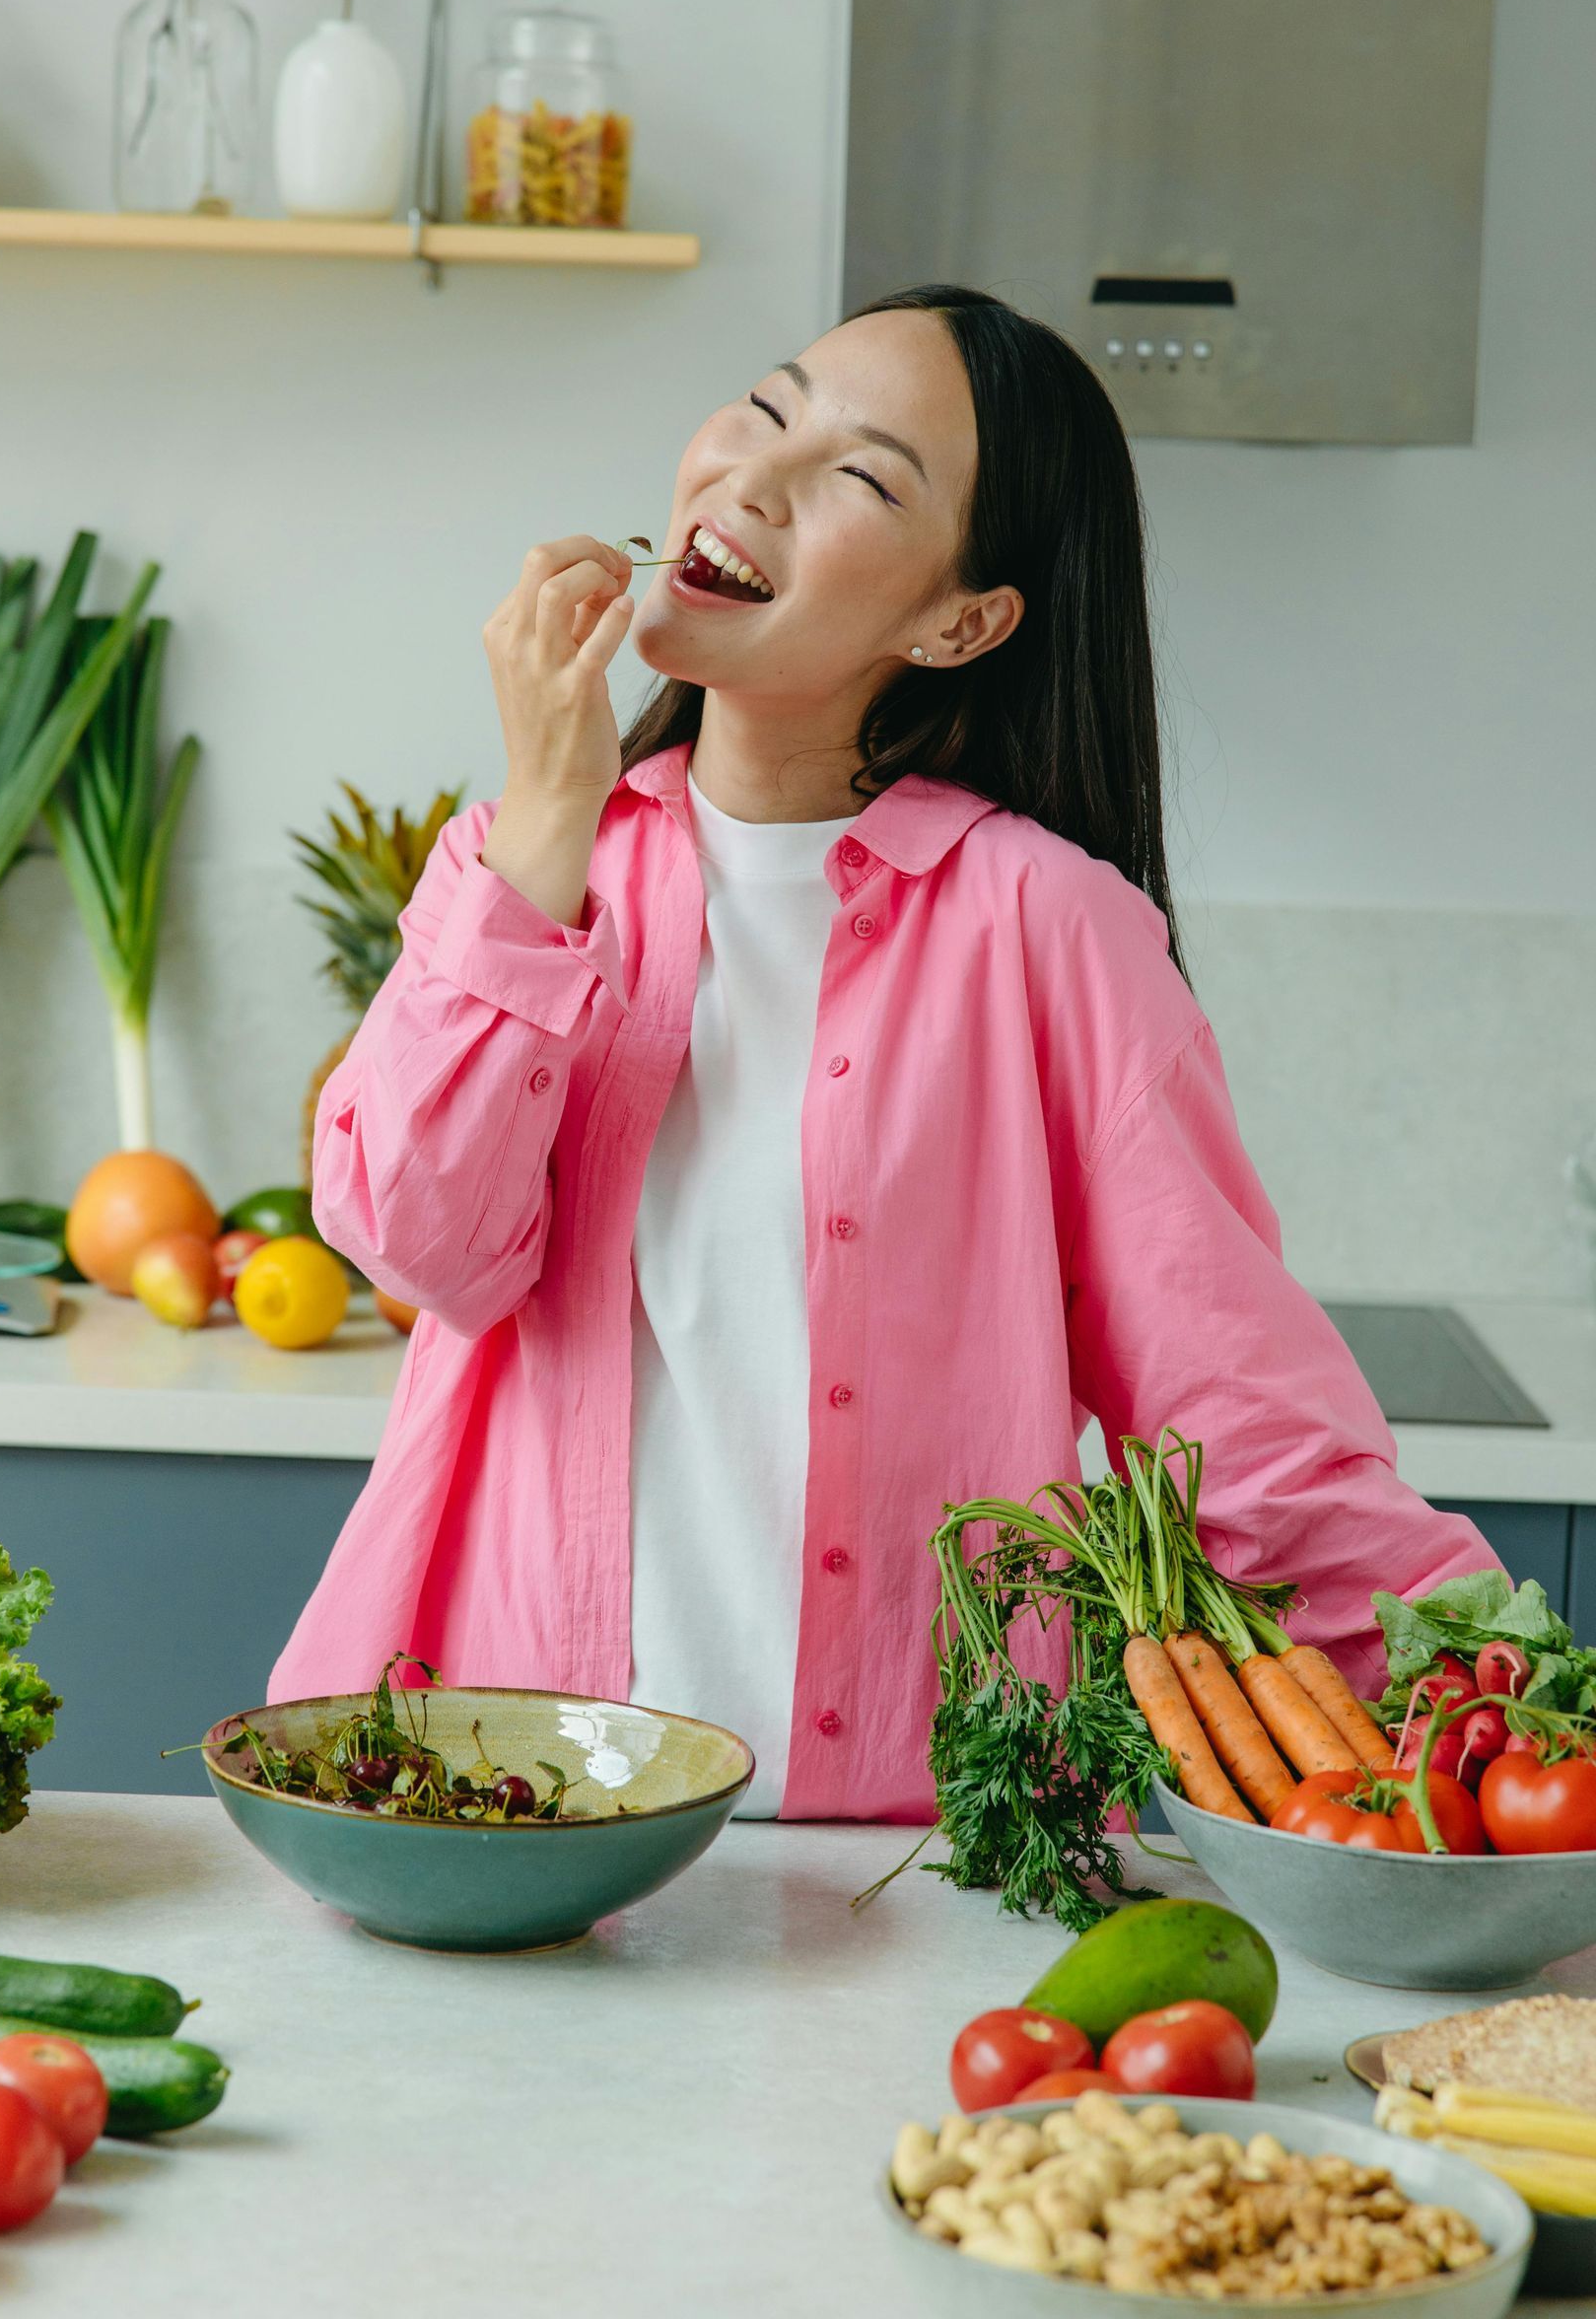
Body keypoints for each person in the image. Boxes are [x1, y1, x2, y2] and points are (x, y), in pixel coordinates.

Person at [270, 285, 1495, 1818]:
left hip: (907, 1859)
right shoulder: (532, 873)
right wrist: (541, 816)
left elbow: (1247, 1443)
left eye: (860, 475)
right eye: (770, 410)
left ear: (960, 622)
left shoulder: (1051, 933)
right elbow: (417, 1241)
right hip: (515, 1831)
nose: (756, 476)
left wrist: (1511, 1708)